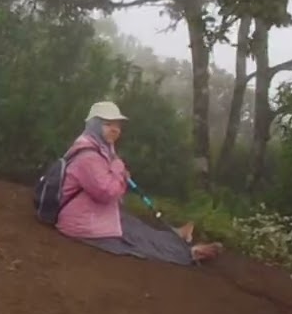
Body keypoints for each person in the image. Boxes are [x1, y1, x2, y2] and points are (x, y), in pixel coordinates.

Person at [56, 101, 223, 264]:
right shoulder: (88, 156)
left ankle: (176, 235)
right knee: (137, 240)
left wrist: (117, 171)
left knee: (137, 227)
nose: (115, 129)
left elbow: (107, 176)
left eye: (118, 125)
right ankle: (189, 254)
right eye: (108, 124)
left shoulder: (100, 147)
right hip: (83, 223)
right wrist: (119, 171)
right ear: (94, 125)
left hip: (92, 213)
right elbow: (108, 193)